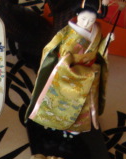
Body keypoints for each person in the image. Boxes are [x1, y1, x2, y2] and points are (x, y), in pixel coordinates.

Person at [25, 0, 113, 135]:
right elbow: (56, 49)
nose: (86, 23)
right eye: (83, 19)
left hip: (88, 73)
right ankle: (53, 121)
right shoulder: (67, 32)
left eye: (91, 20)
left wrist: (107, 41)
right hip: (68, 72)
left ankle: (76, 126)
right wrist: (68, 63)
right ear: (77, 14)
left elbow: (98, 50)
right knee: (62, 100)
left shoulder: (96, 31)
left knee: (83, 104)